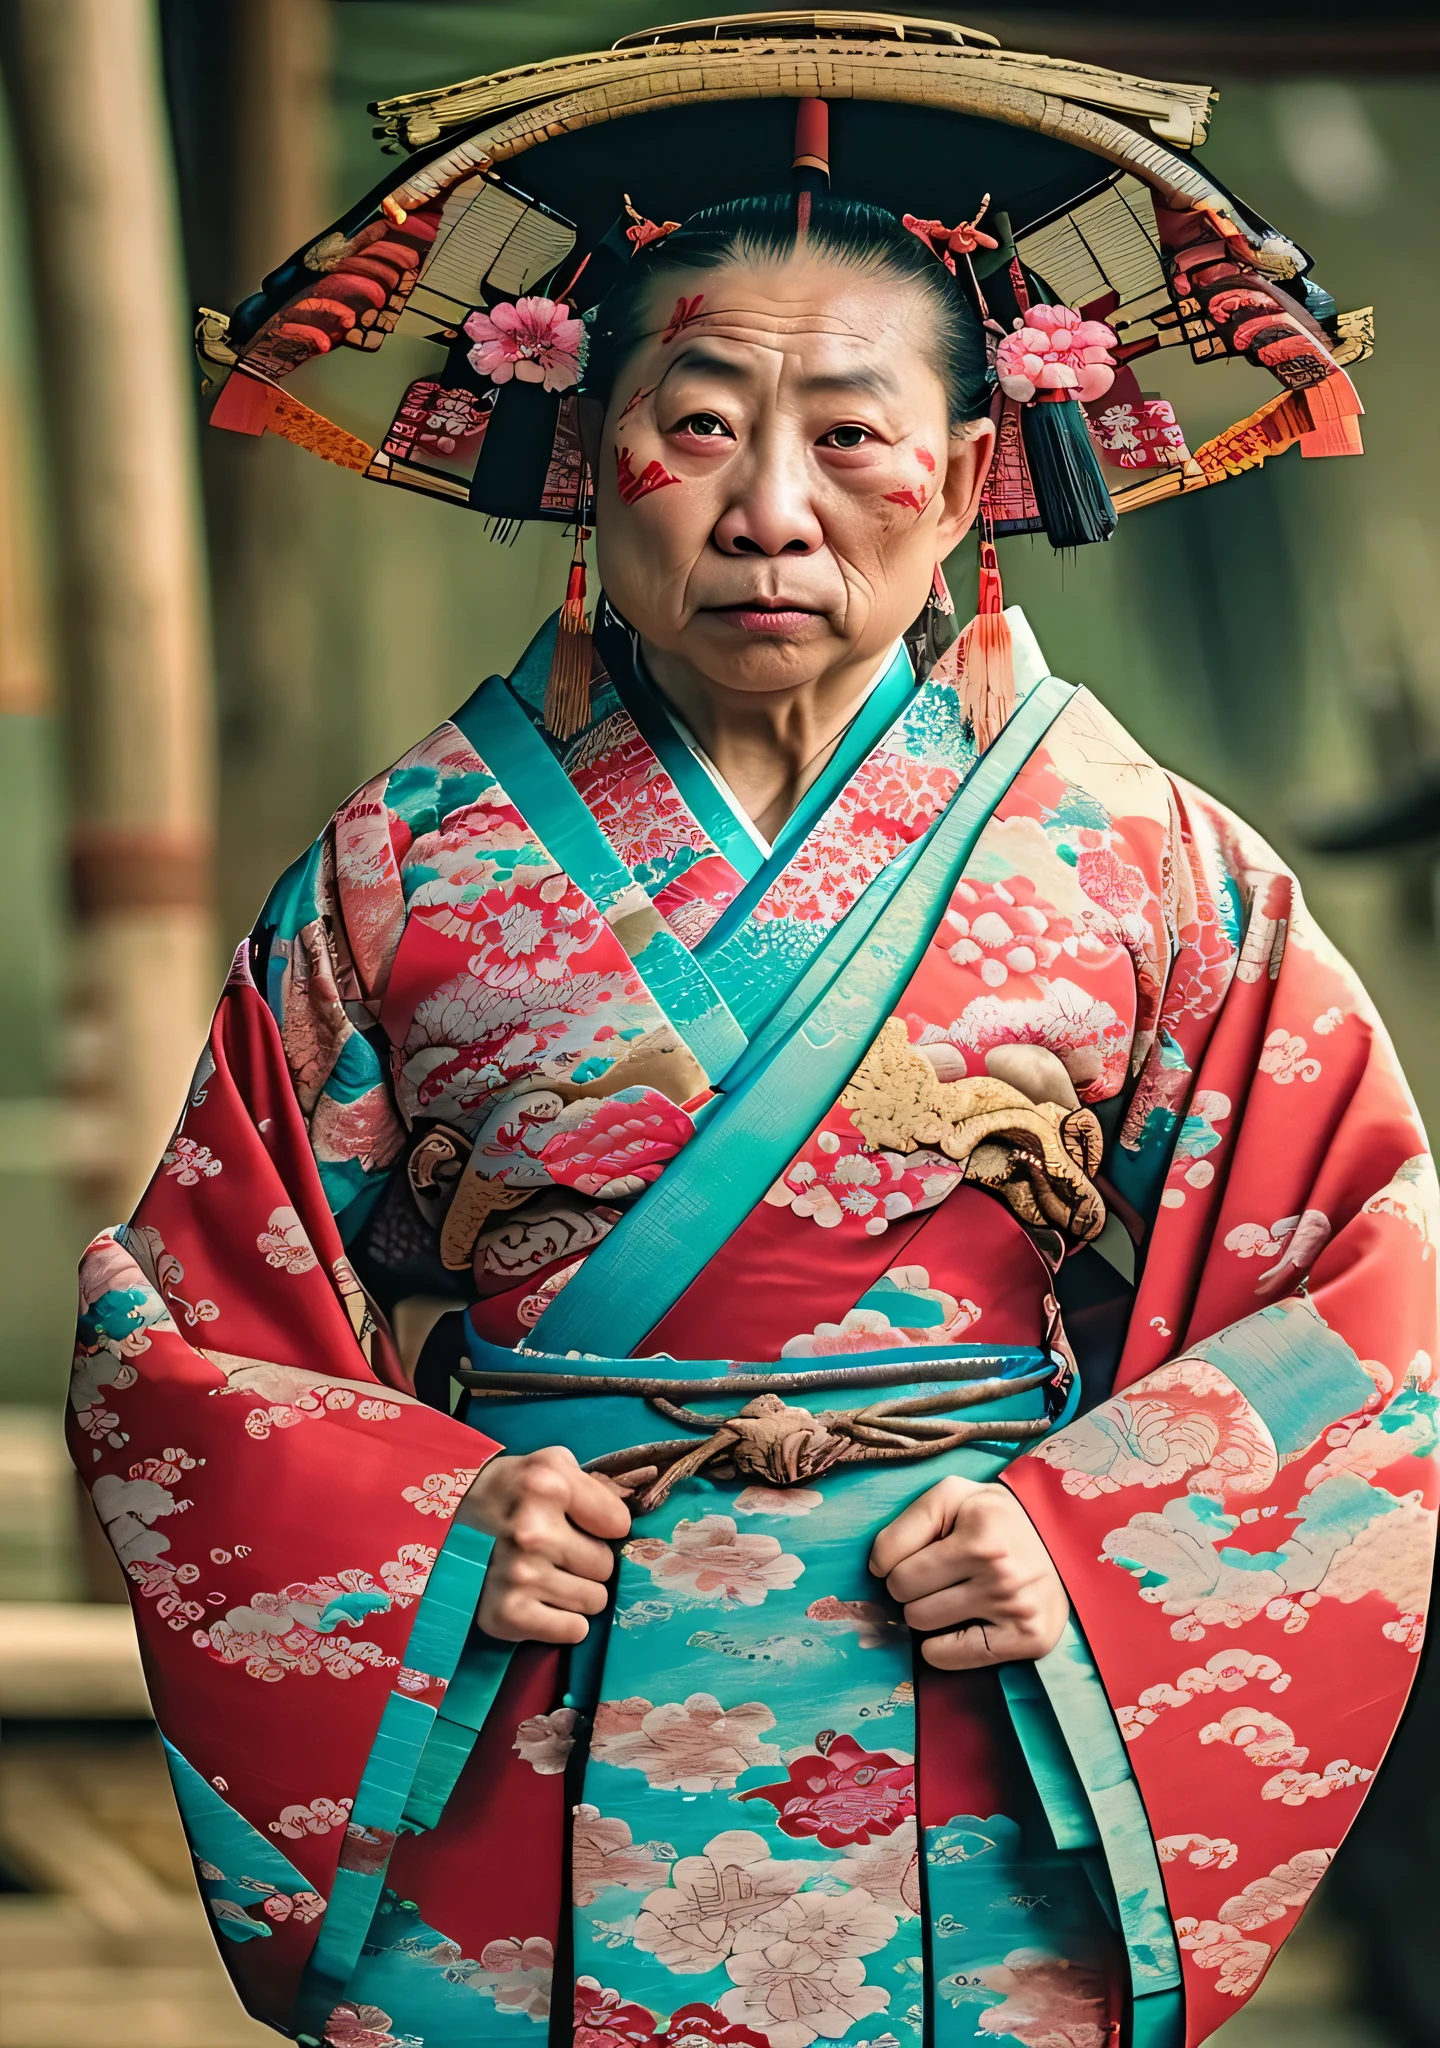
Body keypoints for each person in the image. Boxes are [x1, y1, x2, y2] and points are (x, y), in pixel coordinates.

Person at [69, 20, 1435, 2048]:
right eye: (698, 426)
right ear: (581, 455)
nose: (773, 507)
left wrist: (1097, 1533)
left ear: (972, 472)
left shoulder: (1148, 864)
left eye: (855, 435)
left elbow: (1364, 1293)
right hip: (523, 1712)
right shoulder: (403, 869)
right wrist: (428, 1521)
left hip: (980, 1721)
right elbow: (187, 1321)